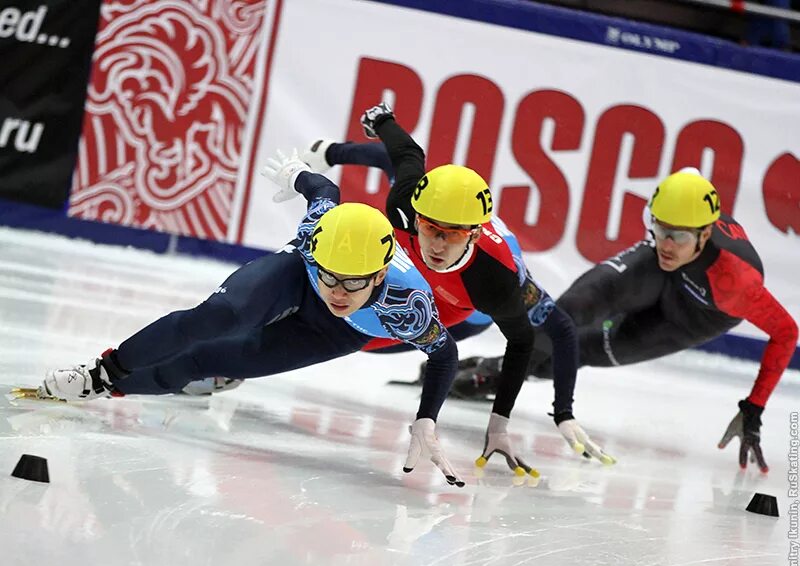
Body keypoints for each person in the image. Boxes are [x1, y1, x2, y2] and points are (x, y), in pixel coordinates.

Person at [37, 154, 465, 486]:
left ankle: (112, 388)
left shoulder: (408, 304)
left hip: (336, 332)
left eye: (351, 284)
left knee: (204, 361)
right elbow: (322, 189)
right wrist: (296, 171)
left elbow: (445, 355)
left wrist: (426, 416)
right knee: (214, 318)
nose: (337, 291)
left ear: (377, 275)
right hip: (296, 274)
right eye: (330, 275)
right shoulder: (316, 234)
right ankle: (99, 372)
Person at [294, 103, 615, 470]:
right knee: (397, 171)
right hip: (430, 270)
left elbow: (555, 329)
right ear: (418, 217)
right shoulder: (405, 207)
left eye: (452, 235)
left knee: (360, 342)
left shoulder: (498, 277)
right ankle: (328, 149)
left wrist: (558, 414)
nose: (437, 245)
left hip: (465, 308)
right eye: (430, 228)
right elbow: (407, 152)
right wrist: (378, 121)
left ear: (474, 235)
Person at [451, 168, 798, 473]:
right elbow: (671, 231)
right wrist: (669, 238)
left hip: (689, 318)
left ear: (705, 235)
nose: (666, 244)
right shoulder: (670, 236)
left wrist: (753, 408)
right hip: (664, 277)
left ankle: (489, 373)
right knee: (570, 310)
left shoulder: (735, 283)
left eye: (678, 236)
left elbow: (787, 332)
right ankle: (492, 371)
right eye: (659, 229)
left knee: (582, 349)